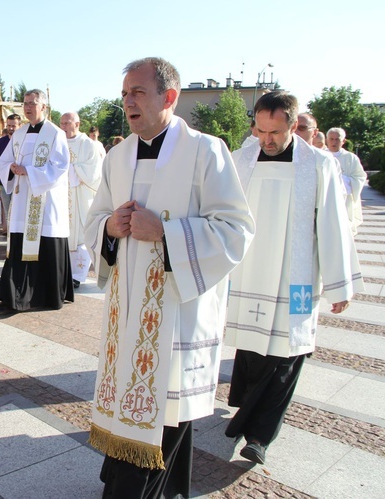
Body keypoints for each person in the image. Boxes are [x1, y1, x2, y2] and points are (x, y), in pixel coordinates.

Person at [84, 57, 254, 498]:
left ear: (170, 97)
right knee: (135, 412)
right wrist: (109, 228)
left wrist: (166, 233)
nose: (127, 102)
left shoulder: (206, 151)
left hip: (176, 314)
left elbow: (236, 229)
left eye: (137, 92)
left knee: (166, 417)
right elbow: (95, 216)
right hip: (127, 316)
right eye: (124, 94)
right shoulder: (117, 156)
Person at [225, 91, 363, 466]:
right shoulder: (241, 160)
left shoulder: (318, 164)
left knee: (289, 354)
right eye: (260, 130)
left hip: (297, 277)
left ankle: (259, 437)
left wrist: (339, 281)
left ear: (294, 124)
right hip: (250, 272)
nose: (266, 140)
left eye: (276, 132)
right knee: (253, 353)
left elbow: (332, 222)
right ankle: (246, 412)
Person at [0, 89, 74, 313]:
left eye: (33, 103)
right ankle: (16, 296)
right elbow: (4, 160)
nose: (28, 107)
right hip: (21, 200)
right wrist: (11, 167)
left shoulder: (55, 133)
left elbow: (59, 166)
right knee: (20, 245)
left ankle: (45, 297)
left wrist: (28, 171)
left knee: (43, 242)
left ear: (44, 107)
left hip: (44, 199)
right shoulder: (18, 134)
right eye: (25, 103)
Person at [60, 111, 102, 289]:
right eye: (61, 123)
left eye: (67, 123)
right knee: (63, 232)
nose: (63, 127)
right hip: (62, 194)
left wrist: (71, 168)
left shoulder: (88, 144)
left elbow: (94, 172)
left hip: (80, 196)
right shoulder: (58, 142)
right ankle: (62, 271)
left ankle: (78, 274)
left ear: (77, 124)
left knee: (80, 234)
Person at [327, 127, 367, 234]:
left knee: (344, 231)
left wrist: (343, 180)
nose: (334, 142)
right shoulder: (320, 156)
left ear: (343, 141)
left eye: (337, 139)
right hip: (326, 200)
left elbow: (360, 177)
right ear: (327, 140)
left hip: (345, 202)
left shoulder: (351, 158)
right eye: (331, 139)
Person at [0, 114, 21, 235]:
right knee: (8, 209)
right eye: (9, 125)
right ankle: (10, 236)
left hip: (20, 181)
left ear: (20, 125)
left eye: (14, 125)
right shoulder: (0, 142)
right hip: (4, 181)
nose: (11, 128)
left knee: (19, 209)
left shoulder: (22, 141)